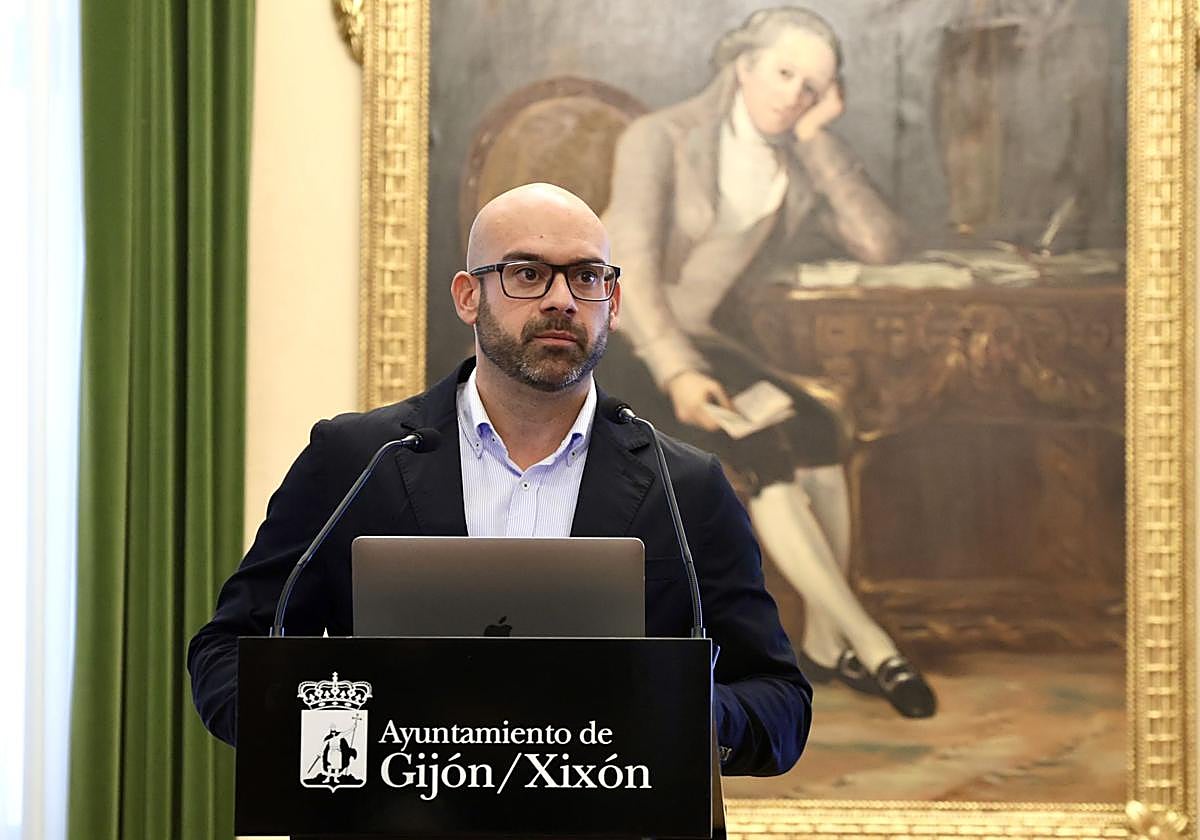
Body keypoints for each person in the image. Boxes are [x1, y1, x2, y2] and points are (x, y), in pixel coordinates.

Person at [187, 182, 811, 776]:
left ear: (614, 303)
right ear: (468, 297)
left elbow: (779, 701)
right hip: (396, 818)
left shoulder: (686, 487)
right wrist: (342, 730)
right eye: (528, 273)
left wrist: (680, 715)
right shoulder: (355, 460)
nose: (562, 299)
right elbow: (229, 653)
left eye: (587, 276)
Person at [602, 6, 935, 717]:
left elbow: (880, 244)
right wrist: (678, 371)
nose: (794, 95)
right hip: (623, 340)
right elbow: (629, 273)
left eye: (813, 86)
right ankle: (873, 643)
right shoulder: (659, 137)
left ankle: (825, 644)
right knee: (762, 447)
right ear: (744, 65)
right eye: (784, 73)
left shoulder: (795, 159)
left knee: (817, 428)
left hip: (705, 342)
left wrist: (818, 140)